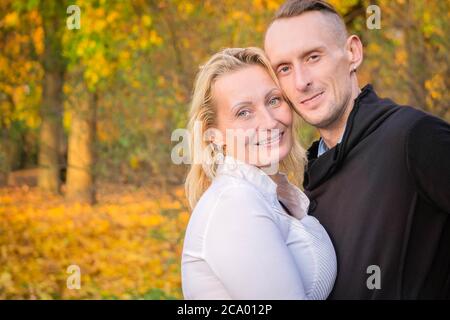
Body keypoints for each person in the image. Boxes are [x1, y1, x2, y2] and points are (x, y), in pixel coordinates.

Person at [264, 0, 450, 299]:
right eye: (284, 68)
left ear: (353, 53)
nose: (301, 82)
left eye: (313, 57)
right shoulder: (310, 176)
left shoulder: (412, 137)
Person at [181, 47, 337, 299]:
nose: (269, 121)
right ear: (214, 135)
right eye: (244, 112)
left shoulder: (270, 193)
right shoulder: (234, 205)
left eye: (274, 100)